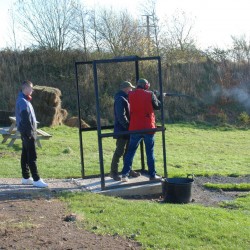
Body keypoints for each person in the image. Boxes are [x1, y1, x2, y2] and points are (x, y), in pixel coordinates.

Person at [121, 78, 161, 182]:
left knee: (130, 152)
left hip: (135, 128)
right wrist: (158, 97)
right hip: (148, 127)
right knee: (150, 152)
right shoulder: (150, 94)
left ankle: (124, 175)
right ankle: (152, 175)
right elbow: (158, 106)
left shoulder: (130, 94)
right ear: (145, 85)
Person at [15, 80, 48, 188]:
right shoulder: (23, 102)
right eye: (31, 88)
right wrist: (29, 133)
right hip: (28, 132)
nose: (32, 90)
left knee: (25, 154)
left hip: (25, 132)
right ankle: (36, 179)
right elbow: (25, 119)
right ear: (25, 89)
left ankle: (25, 178)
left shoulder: (23, 99)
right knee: (32, 155)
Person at [110, 81, 141, 181]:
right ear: (125, 88)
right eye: (130, 88)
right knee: (119, 151)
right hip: (123, 130)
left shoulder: (124, 98)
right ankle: (113, 172)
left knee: (128, 152)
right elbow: (121, 116)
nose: (131, 90)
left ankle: (128, 170)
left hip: (126, 130)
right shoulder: (120, 99)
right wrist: (128, 127)